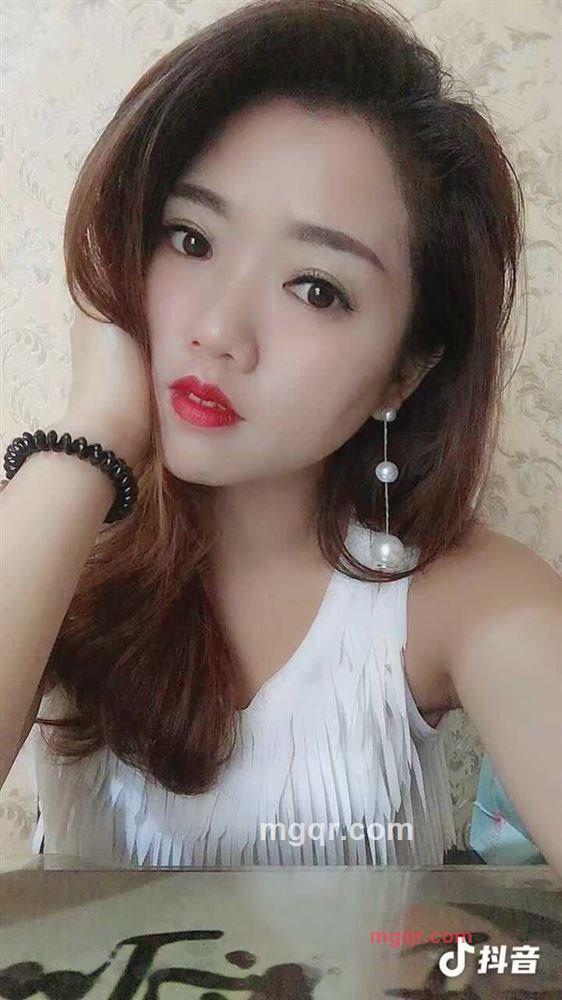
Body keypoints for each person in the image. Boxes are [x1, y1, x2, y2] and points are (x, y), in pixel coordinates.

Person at [1, 0, 560, 871]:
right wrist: (93, 435)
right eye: (190, 238)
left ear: (405, 371)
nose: (219, 330)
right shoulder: (48, 542)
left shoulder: (464, 597)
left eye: (316, 288)